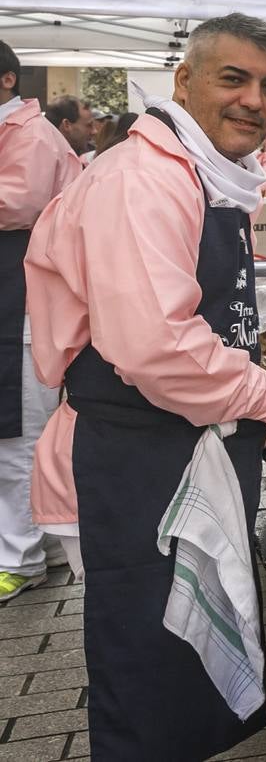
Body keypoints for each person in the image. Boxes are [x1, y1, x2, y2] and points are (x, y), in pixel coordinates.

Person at [25, 12, 266, 758]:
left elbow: (201, 330)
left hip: (177, 447)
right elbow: (155, 346)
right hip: (131, 465)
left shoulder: (201, 176)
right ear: (182, 81)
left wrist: (257, 434)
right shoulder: (141, 179)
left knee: (178, 681)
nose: (255, 100)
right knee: (147, 680)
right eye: (233, 79)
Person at [0, 39, 81, 603]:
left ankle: (21, 558)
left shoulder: (28, 135)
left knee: (20, 434)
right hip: (16, 301)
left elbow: (18, 203)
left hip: (25, 305)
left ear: (7, 80)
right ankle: (31, 541)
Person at [45, 94, 95, 160]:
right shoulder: (44, 158)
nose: (94, 131)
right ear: (67, 125)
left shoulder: (90, 155)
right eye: (89, 125)